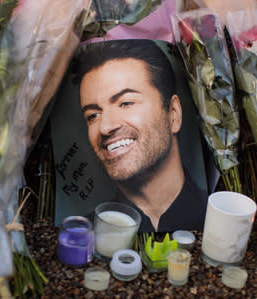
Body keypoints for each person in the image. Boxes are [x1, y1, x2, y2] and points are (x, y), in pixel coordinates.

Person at [75, 39, 208, 232]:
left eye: (126, 103)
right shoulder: (82, 235)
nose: (105, 127)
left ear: (173, 113)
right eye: (93, 115)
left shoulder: (214, 219)